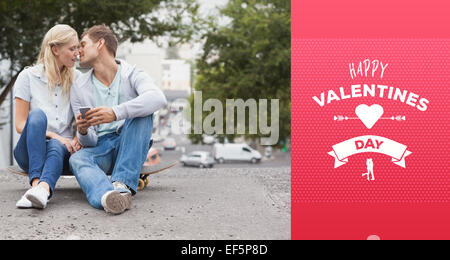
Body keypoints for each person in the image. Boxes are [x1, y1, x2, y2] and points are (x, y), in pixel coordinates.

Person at [69, 25, 167, 214]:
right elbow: (88, 141)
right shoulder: (79, 86)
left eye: (83, 44)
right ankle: (108, 197)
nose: (78, 51)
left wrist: (116, 113)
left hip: (130, 141)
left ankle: (121, 185)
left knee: (143, 111)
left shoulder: (132, 73)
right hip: (102, 147)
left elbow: (157, 98)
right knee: (77, 159)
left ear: (100, 44)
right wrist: (82, 131)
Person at [13, 24, 82, 209]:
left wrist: (76, 138)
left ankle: (40, 191)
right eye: (72, 48)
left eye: (78, 47)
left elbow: (83, 118)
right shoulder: (27, 77)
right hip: (29, 151)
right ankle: (36, 183)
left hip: (62, 152)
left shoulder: (78, 79)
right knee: (36, 116)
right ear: (55, 49)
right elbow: (20, 125)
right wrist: (56, 135)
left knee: (56, 145)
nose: (77, 53)